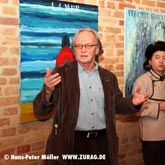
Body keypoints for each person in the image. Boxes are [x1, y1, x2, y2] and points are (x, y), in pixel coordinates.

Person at [33, 28, 150, 165]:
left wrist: (133, 102)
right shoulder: (61, 74)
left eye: (88, 45)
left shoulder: (108, 77)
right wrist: (48, 91)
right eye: (78, 46)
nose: (83, 50)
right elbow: (39, 111)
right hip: (71, 144)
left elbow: (117, 105)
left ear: (97, 49)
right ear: (73, 49)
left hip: (102, 144)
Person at [132, 41, 165, 165]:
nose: (161, 61)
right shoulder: (142, 81)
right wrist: (159, 106)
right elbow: (137, 110)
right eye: (157, 57)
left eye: (164, 58)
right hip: (151, 135)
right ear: (150, 61)